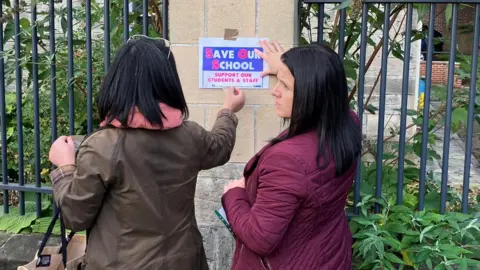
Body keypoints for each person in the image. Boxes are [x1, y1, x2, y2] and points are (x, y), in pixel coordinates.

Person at [47, 35, 245, 270]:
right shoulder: (190, 135)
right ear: (168, 82)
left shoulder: (104, 146)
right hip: (185, 261)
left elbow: (75, 215)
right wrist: (227, 111)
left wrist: (65, 167)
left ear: (116, 82)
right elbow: (220, 147)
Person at [221, 40, 362, 269]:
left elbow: (260, 238)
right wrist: (286, 67)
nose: (274, 91)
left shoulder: (286, 161)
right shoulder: (347, 122)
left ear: (310, 94)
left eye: (285, 86)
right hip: (327, 255)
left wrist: (234, 195)